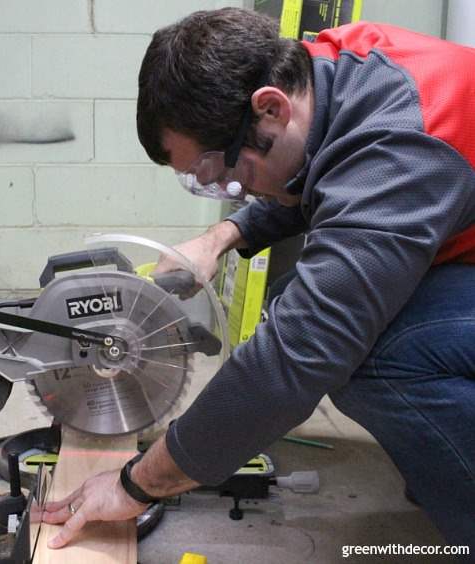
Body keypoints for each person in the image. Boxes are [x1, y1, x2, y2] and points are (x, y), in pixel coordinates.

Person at [42, 8, 475, 551]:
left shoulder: (405, 146)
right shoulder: (328, 70)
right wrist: (222, 237)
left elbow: (296, 359)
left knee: (371, 354)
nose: (234, 190)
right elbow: (323, 171)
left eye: (224, 173)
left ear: (269, 107)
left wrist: (137, 483)